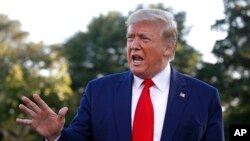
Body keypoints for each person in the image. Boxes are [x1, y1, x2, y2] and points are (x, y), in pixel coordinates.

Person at [16, 8, 225, 141]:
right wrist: (56, 136)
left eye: (144, 38)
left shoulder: (204, 97)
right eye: (130, 38)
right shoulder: (98, 91)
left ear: (168, 48)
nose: (134, 45)